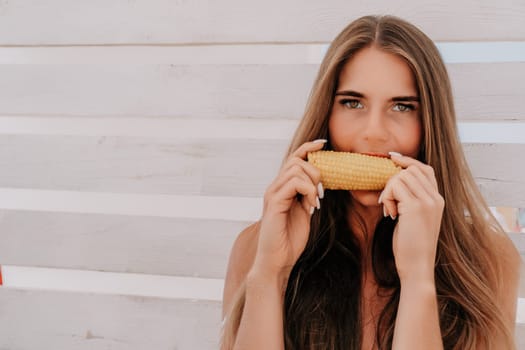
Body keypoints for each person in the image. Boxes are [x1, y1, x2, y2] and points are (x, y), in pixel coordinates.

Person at [220, 15, 520, 349]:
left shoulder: (489, 260)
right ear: (326, 114)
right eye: (352, 102)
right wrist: (271, 274)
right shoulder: (255, 247)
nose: (374, 132)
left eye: (403, 106)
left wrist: (418, 276)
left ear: (430, 126)